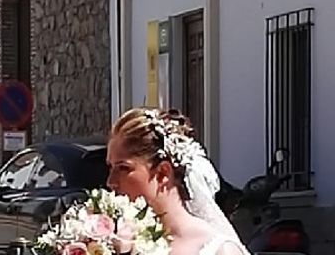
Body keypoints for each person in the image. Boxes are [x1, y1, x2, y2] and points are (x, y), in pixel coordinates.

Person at [106, 108, 249, 255]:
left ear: (163, 173)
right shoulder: (115, 241)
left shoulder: (218, 250)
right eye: (110, 167)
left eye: (123, 168)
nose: (110, 182)